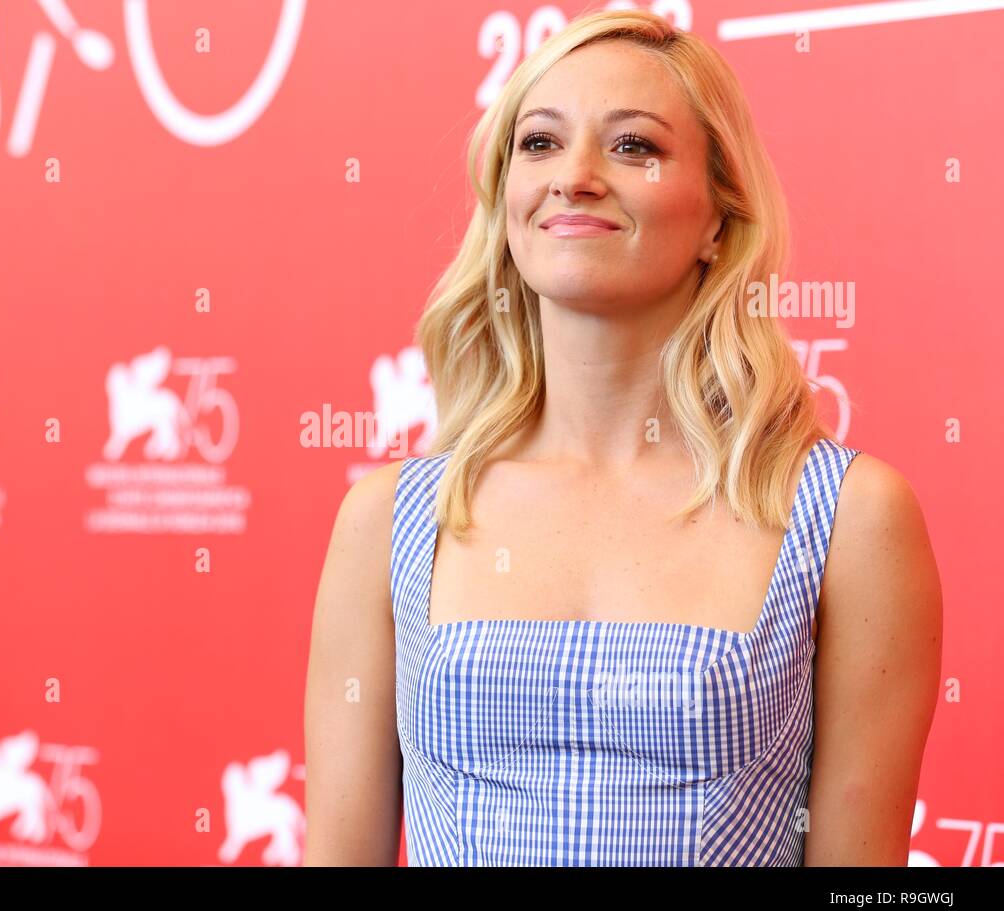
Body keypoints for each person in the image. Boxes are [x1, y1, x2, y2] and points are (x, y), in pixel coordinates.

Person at [303, 9, 941, 866]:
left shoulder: (850, 517)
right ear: (506, 200)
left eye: (634, 146)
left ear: (720, 216)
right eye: (539, 143)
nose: (575, 178)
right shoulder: (388, 521)